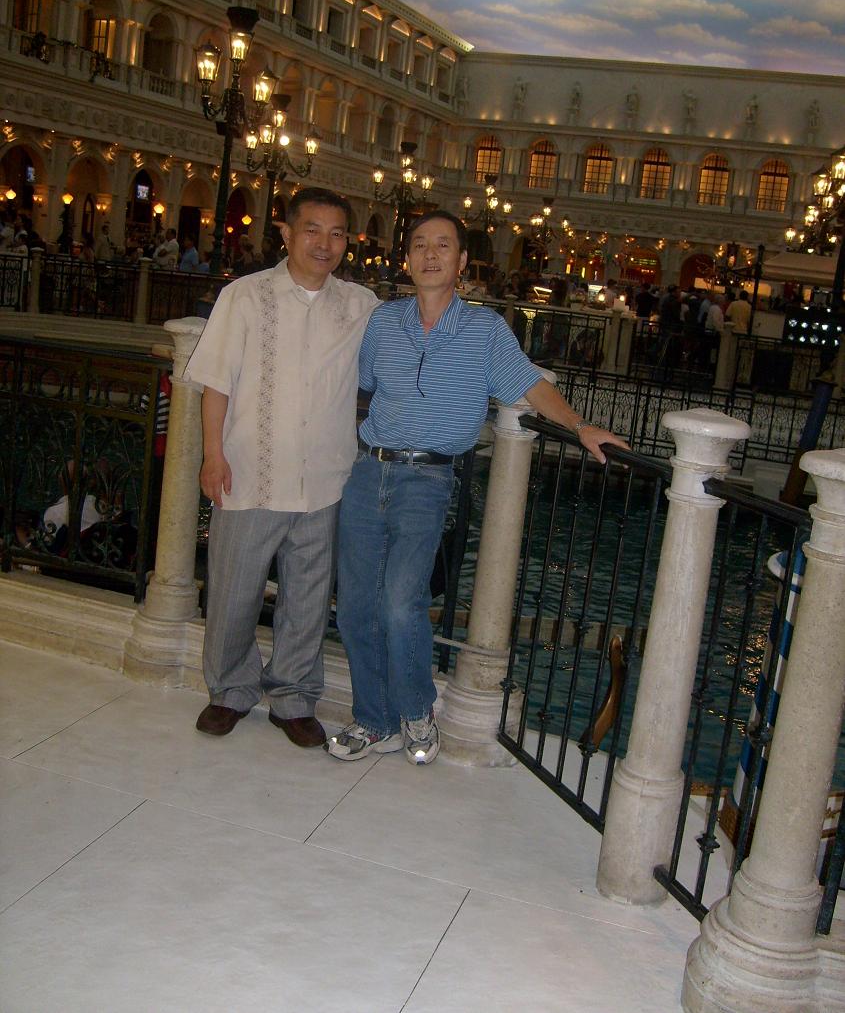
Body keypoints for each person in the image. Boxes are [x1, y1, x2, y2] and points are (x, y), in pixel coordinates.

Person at [326, 210, 628, 766]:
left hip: (427, 479)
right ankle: (373, 718)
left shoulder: (484, 331)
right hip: (367, 471)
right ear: (407, 258)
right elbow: (357, 384)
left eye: (443, 245)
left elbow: (531, 385)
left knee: (400, 603)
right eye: (420, 244)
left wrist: (581, 426)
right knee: (354, 607)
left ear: (462, 261)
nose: (430, 254)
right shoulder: (383, 322)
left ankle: (415, 710)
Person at [184, 188, 378, 746]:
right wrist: (213, 454)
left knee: (309, 597)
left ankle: (293, 698)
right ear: (287, 234)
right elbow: (216, 382)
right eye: (312, 230)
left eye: (336, 233)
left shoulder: (361, 305)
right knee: (233, 591)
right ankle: (230, 691)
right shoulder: (245, 296)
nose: (324, 243)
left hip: (326, 479)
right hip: (251, 471)